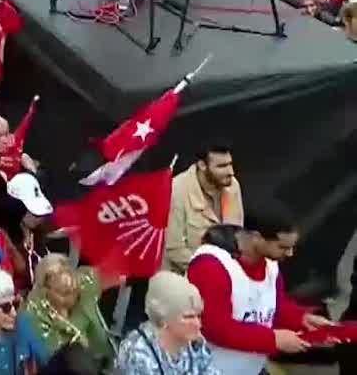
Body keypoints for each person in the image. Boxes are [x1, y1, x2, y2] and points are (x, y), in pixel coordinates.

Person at [186, 208, 331, 375]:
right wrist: (273, 340)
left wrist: (302, 319)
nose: (290, 254)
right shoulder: (210, 265)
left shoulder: (270, 264)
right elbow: (215, 328)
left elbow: (274, 306)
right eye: (283, 247)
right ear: (256, 237)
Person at [113, 271, 217, 375]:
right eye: (188, 317)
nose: (197, 324)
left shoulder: (195, 343)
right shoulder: (138, 353)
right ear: (164, 318)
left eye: (198, 316)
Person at [164, 144, 244, 274]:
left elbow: (238, 236)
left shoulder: (232, 185)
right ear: (202, 165)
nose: (231, 172)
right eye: (222, 166)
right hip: (184, 278)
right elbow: (174, 249)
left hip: (227, 272)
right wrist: (213, 271)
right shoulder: (176, 190)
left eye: (230, 164)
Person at [21, 254, 112, 367]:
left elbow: (113, 272)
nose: (72, 296)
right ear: (46, 291)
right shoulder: (34, 314)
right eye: (65, 293)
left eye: (73, 289)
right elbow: (51, 359)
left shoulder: (84, 283)